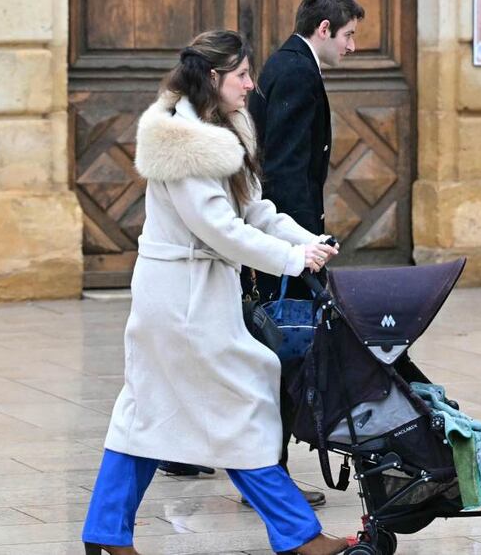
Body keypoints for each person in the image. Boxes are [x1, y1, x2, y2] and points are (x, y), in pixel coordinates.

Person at [81, 30, 346, 555]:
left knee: (146, 410)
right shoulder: (183, 143)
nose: (252, 84)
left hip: (190, 294)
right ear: (213, 78)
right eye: (243, 75)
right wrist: (291, 260)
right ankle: (298, 534)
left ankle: (106, 532)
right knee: (242, 402)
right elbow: (218, 229)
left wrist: (304, 239)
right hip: (181, 298)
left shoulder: (218, 129)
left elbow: (254, 210)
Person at [245, 0, 363, 508]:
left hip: (282, 236)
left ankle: (209, 456)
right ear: (324, 30)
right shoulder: (296, 69)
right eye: (349, 35)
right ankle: (268, 475)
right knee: (281, 356)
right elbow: (287, 168)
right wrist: (302, 243)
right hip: (283, 244)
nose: (353, 46)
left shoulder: (292, 63)